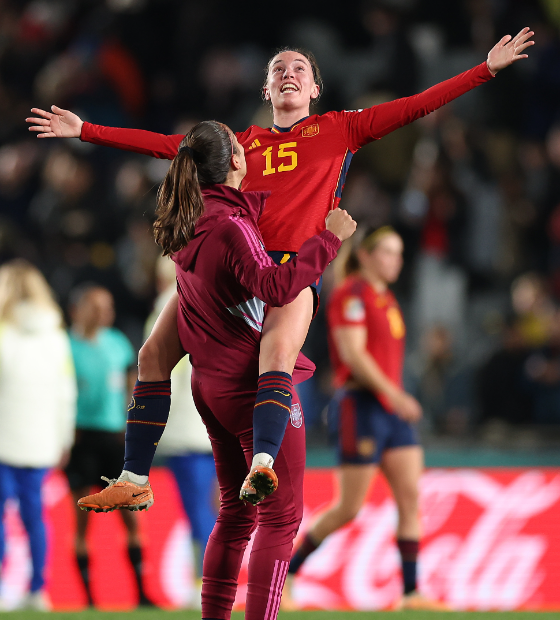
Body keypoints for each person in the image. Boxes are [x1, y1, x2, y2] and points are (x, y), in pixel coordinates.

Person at [25, 28, 534, 503]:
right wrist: (86, 130)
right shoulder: (240, 143)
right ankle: (135, 479)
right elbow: (172, 148)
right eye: (277, 70)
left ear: (315, 88)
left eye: (299, 69)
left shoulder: (342, 129)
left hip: (288, 271)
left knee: (276, 355)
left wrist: (484, 69)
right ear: (267, 90)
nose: (288, 73)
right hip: (231, 271)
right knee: (152, 357)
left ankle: (262, 464)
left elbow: (416, 107)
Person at [72, 120, 355, 619]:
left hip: (210, 388)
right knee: (282, 519)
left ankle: (136, 474)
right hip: (251, 390)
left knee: (235, 517)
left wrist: (88, 131)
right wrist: (327, 242)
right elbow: (275, 288)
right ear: (237, 164)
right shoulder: (232, 227)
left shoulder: (189, 224)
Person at [284, 227, 447, 611]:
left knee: (410, 499)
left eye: (400, 253)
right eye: (389, 252)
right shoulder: (352, 295)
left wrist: (395, 398)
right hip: (362, 407)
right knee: (349, 508)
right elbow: (353, 355)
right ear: (368, 255)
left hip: (392, 411)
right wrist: (395, 394)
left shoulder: (384, 297)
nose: (397, 260)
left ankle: (410, 593)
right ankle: (286, 576)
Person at [65, 284, 155, 608]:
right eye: (99, 306)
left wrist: (131, 423)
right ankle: (88, 599)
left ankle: (142, 593)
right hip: (81, 437)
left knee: (131, 514)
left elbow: (132, 386)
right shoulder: (67, 346)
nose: (107, 312)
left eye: (109, 306)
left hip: (115, 437)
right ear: (82, 309)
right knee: (82, 516)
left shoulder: (118, 344)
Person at [0, 259, 76, 611]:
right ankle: (38, 588)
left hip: (4, 437)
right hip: (41, 439)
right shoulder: (56, 335)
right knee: (35, 516)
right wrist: (63, 438)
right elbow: (66, 391)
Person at [146, 256, 218, 608]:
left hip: (185, 428)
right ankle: (215, 581)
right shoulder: (214, 301)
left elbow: (156, 371)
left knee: (198, 510)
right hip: (215, 422)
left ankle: (207, 585)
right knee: (214, 508)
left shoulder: (166, 306)